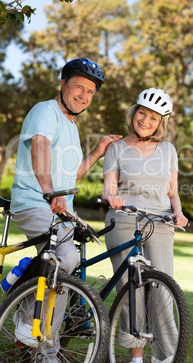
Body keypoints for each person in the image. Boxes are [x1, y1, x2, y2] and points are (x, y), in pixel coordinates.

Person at [10, 57, 122, 362]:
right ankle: (32, 329)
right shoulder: (45, 111)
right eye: (79, 87)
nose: (84, 95)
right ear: (63, 85)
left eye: (90, 92)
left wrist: (98, 151)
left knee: (66, 269)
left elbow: (71, 177)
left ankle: (44, 339)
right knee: (66, 257)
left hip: (59, 211)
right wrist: (48, 191)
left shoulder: (72, 127)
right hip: (35, 202)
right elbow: (39, 149)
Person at [102, 87, 188, 363]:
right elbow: (108, 187)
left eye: (154, 118)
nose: (146, 121)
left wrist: (179, 212)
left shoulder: (168, 150)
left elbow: (173, 191)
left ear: (161, 123)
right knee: (131, 289)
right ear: (134, 113)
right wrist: (112, 197)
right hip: (124, 219)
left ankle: (167, 356)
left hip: (160, 222)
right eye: (142, 113)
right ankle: (136, 356)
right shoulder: (116, 148)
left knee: (163, 289)